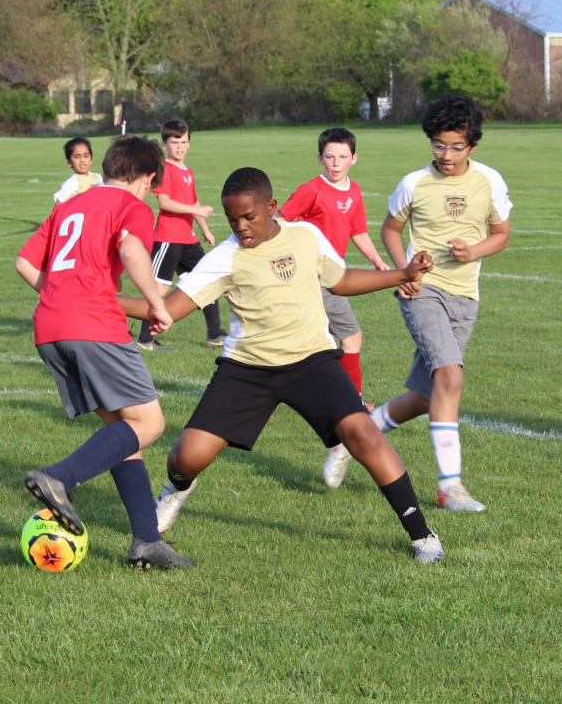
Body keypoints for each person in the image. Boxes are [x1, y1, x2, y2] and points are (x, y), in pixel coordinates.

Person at [118, 167, 445, 564]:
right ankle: (176, 491)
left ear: (271, 207)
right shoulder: (225, 257)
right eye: (232, 219)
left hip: (312, 362)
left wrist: (403, 274)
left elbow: (340, 280)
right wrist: (99, 300)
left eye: (249, 216)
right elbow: (167, 310)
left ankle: (421, 534)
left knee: (363, 434)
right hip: (247, 369)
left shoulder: (306, 236)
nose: (241, 227)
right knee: (186, 457)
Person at [15, 134, 196, 570]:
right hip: (95, 325)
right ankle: (58, 477)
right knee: (150, 422)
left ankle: (146, 542)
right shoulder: (132, 207)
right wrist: (156, 305)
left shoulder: (69, 205)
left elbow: (24, 263)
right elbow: (132, 249)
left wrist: (61, 296)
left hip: (51, 328)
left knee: (122, 435)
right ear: (150, 177)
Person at [372, 96, 512, 513]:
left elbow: (501, 233)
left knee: (425, 395)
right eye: (438, 145)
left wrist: (474, 251)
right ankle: (451, 488)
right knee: (450, 377)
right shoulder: (414, 183)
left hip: (465, 295)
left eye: (455, 147)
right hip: (423, 291)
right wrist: (405, 272)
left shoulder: (489, 181)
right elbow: (390, 230)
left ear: (473, 146)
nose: (445, 155)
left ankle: (357, 435)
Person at [275, 127, 390, 489]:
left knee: (329, 344)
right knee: (348, 338)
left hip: (331, 275)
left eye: (343, 157)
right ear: (319, 158)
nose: (336, 163)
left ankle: (341, 409)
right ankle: (349, 408)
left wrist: (378, 263)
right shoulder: (311, 190)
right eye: (330, 156)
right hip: (315, 277)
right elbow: (279, 220)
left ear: (354, 158)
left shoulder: (353, 191)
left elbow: (358, 231)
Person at [135, 118, 225, 351]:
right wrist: (196, 210)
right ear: (165, 143)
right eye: (175, 142)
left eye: (184, 141)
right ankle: (144, 339)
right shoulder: (164, 169)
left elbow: (192, 200)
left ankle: (215, 334)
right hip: (168, 239)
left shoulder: (187, 171)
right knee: (159, 291)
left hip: (189, 240)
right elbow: (165, 202)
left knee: (207, 282)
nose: (180, 146)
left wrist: (204, 229)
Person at [53, 137, 103, 204]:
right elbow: (58, 206)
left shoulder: (98, 177)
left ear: (91, 159)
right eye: (77, 157)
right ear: (69, 162)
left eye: (86, 156)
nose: (82, 160)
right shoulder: (72, 183)